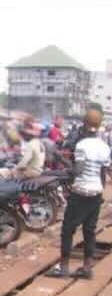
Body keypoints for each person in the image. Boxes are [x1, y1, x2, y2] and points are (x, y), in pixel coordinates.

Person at [46, 109, 110, 282]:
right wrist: (99, 191)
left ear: (84, 123)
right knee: (89, 230)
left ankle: (64, 267)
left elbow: (78, 170)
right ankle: (87, 268)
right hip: (95, 193)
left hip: (81, 192)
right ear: (99, 124)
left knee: (68, 229)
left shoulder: (82, 145)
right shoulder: (105, 147)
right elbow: (103, 173)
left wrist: (62, 160)